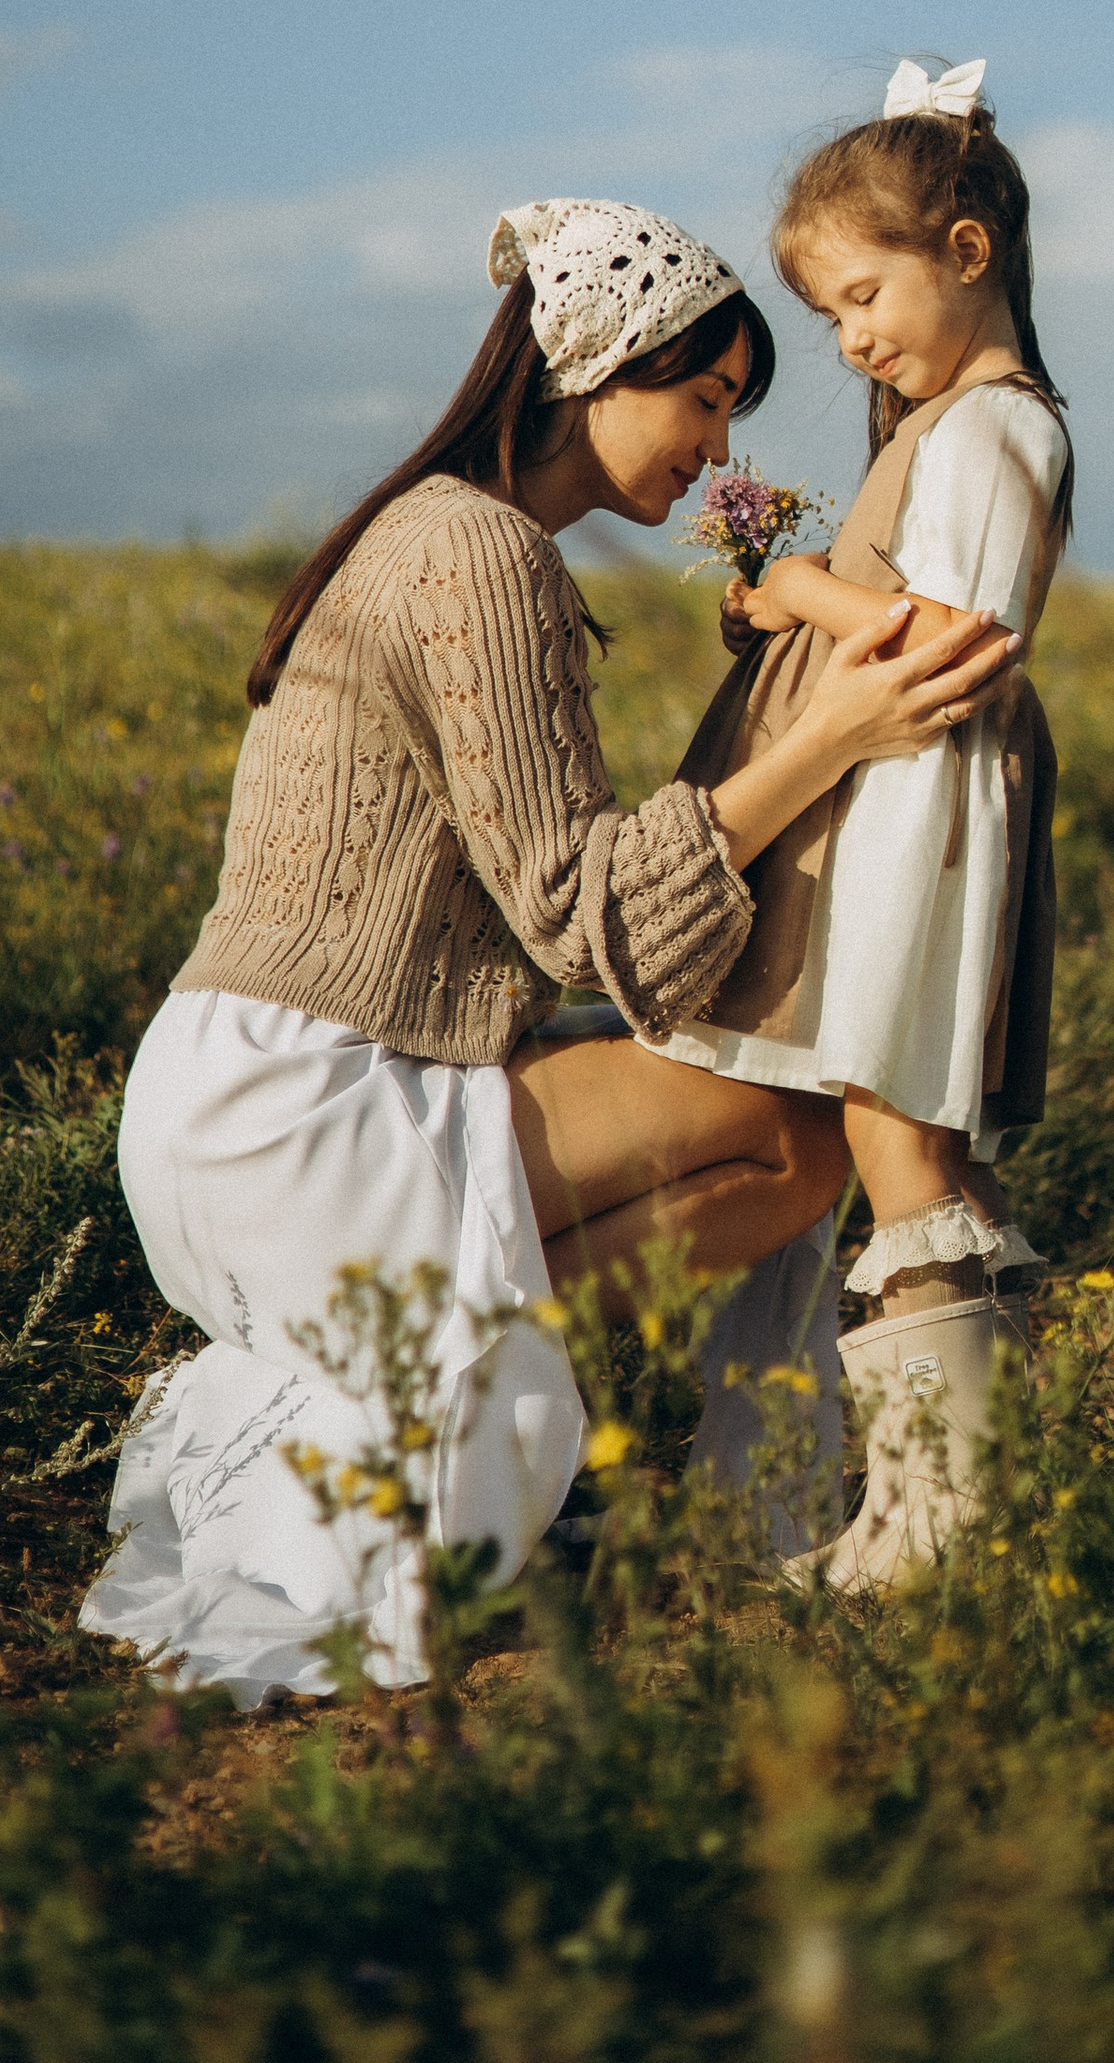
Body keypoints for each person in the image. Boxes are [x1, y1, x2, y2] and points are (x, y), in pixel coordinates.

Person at [80, 197, 1016, 1699]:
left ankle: (476, 1408)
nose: (717, 448)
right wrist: (832, 734)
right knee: (793, 1129)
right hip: (309, 1110)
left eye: (734, 410)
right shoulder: (480, 550)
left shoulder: (434, 530)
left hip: (237, 1093)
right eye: (701, 397)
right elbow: (582, 915)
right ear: (591, 368)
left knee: (773, 1140)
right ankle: (692, 1466)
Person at [660, 59, 1071, 1589]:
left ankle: (940, 1523)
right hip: (896, 805)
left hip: (924, 816)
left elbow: (965, 642)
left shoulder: (997, 430)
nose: (849, 340)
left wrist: (802, 589)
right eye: (829, 313)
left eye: (860, 296)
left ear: (965, 252)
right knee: (898, 1130)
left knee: (901, 1127)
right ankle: (934, 1506)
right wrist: (796, 602)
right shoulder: (950, 425)